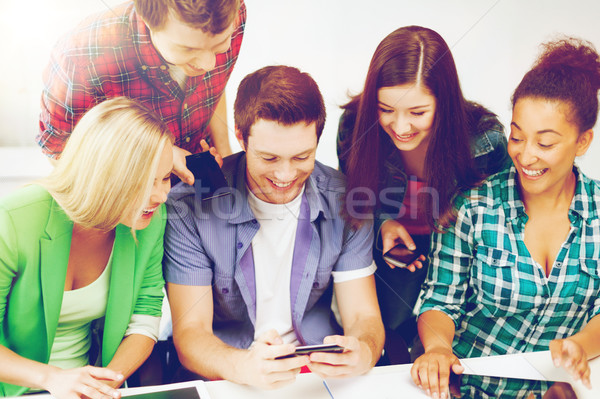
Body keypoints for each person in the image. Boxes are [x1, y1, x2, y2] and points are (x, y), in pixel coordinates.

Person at [164, 65, 384, 389]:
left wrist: (363, 351)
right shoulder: (190, 206)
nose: (285, 175)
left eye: (301, 157)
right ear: (240, 136)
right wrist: (244, 367)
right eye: (269, 158)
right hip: (228, 374)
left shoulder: (349, 199)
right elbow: (191, 334)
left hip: (319, 378)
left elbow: (363, 318)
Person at [412, 38, 600, 398]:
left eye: (545, 144)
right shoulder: (472, 206)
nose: (526, 156)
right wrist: (437, 349)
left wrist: (581, 345)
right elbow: (440, 300)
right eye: (517, 137)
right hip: (466, 388)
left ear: (583, 142)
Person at [336, 26, 509, 360]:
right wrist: (383, 225)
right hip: (387, 268)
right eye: (386, 109)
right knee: (387, 356)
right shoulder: (354, 124)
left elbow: (498, 231)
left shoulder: (485, 141)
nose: (401, 127)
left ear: (444, 102)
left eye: (417, 113)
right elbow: (356, 196)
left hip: (461, 271)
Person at [0, 97, 173, 398]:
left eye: (166, 178)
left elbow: (144, 321)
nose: (160, 195)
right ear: (104, 176)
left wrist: (102, 386)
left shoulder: (149, 220)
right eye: (146, 182)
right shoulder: (16, 218)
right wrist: (52, 379)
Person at [39, 0, 246, 185]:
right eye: (188, 49)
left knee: (229, 219)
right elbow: (58, 152)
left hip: (201, 164)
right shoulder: (79, 58)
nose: (208, 64)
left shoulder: (233, 13)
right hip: (125, 181)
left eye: (219, 46)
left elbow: (213, 87)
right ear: (147, 18)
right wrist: (158, 158)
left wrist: (226, 153)